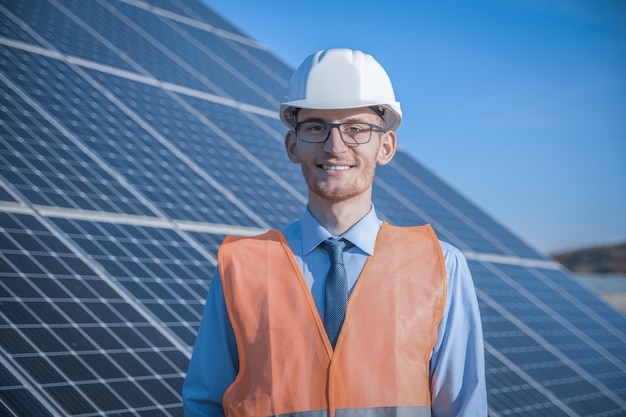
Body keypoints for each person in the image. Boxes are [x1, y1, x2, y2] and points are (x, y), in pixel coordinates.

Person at [183, 48, 487, 417]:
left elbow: (463, 410)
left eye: (356, 128)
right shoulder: (241, 266)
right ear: (292, 145)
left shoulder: (441, 267)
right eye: (316, 127)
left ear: (386, 147)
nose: (334, 145)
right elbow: (205, 405)